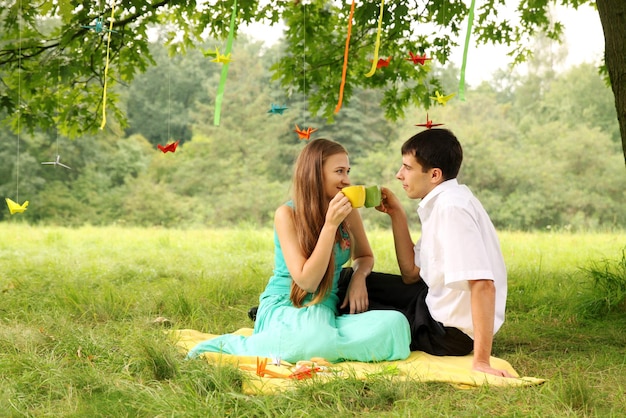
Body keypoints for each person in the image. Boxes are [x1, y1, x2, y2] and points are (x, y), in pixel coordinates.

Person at [187, 138, 411, 363]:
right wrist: (330, 225)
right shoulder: (286, 214)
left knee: (395, 324)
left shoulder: (348, 212)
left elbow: (364, 256)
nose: (347, 180)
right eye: (339, 171)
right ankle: (237, 346)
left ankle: (308, 342)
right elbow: (307, 282)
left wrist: (358, 277)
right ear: (315, 174)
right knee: (313, 340)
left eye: (348, 171)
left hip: (324, 308)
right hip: (287, 303)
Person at [368, 128, 512, 377]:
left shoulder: (451, 209)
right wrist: (396, 214)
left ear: (434, 174)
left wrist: (481, 362)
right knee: (354, 282)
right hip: (430, 303)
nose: (399, 174)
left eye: (407, 168)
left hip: (445, 333)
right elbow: (411, 274)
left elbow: (483, 285)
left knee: (356, 308)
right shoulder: (444, 202)